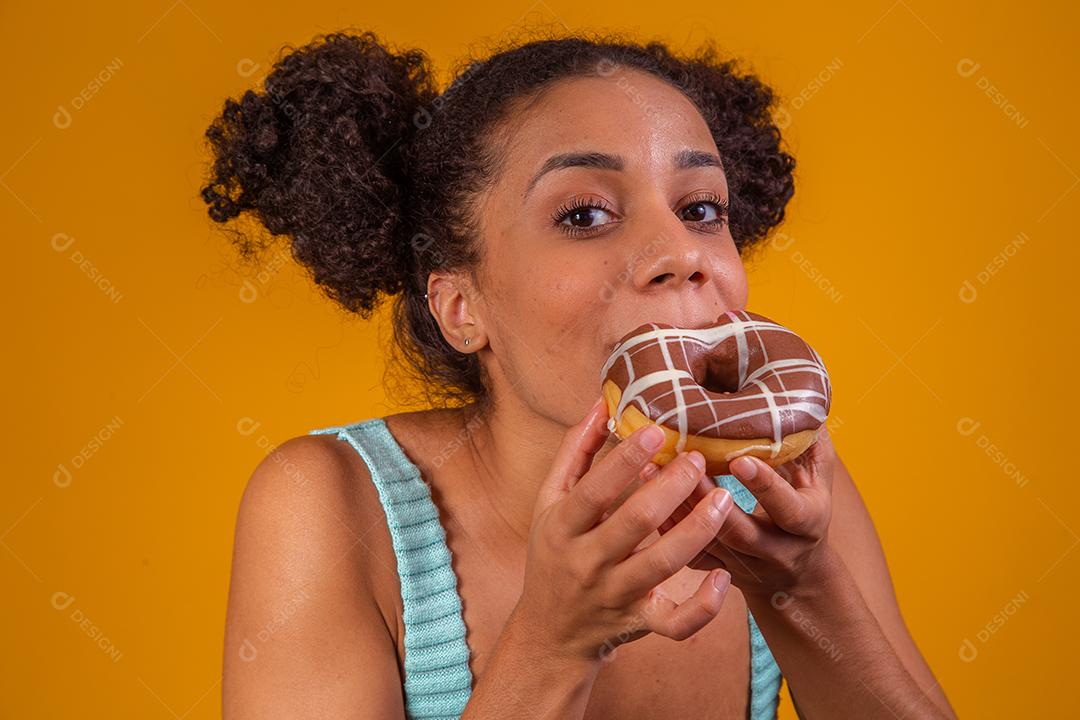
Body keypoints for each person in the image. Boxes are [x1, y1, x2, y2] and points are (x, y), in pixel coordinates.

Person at [202, 29, 957, 719]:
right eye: (585, 215)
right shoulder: (329, 506)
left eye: (701, 209)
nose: (681, 253)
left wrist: (801, 589)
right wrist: (554, 643)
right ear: (462, 307)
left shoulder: (783, 488)